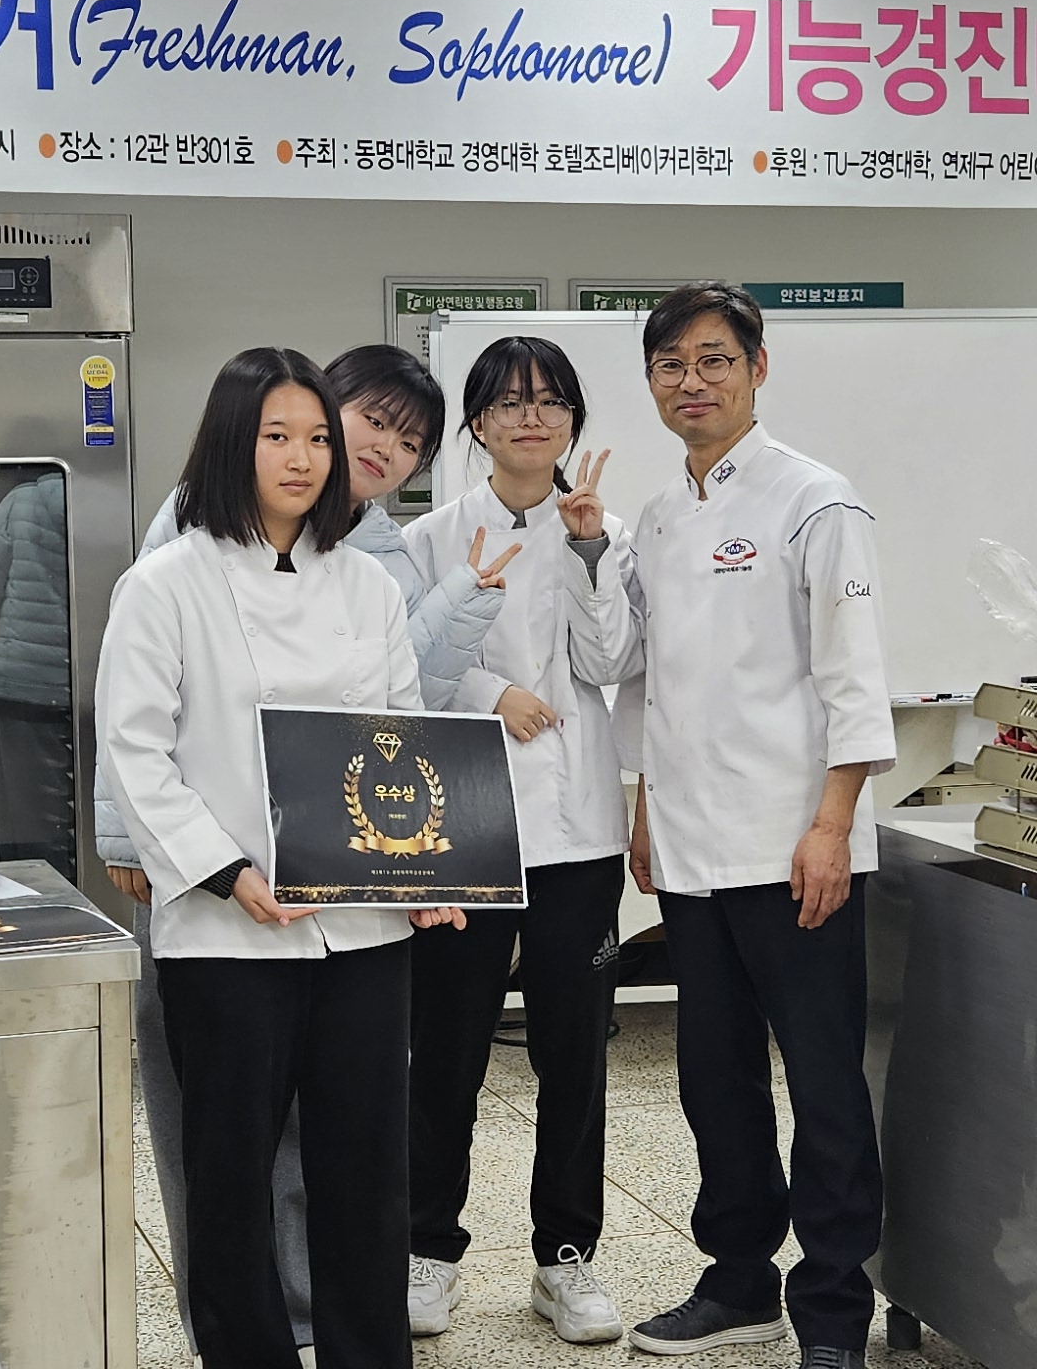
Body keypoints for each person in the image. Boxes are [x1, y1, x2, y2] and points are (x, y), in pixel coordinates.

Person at [100, 342, 515, 1347]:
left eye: (317, 439)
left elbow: (399, 736)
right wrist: (225, 872)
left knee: (365, 1172)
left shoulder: (365, 586)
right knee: (232, 1171)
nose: (302, 458)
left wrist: (423, 871)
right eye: (277, 436)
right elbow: (134, 747)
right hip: (229, 931)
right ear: (231, 444)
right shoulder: (166, 583)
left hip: (364, 934)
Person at [613, 284, 894, 1369]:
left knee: (822, 1086)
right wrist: (645, 804)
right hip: (690, 849)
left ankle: (834, 1312)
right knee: (713, 1078)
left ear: (757, 368)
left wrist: (832, 827)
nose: (692, 381)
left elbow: (852, 678)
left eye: (714, 359)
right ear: (651, 382)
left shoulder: (815, 501)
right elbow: (653, 681)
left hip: (793, 849)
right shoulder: (657, 516)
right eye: (671, 365)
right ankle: (739, 1281)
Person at [396, 337, 637, 1344]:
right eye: (508, 402)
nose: (531, 418)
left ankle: (566, 1256)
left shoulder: (606, 529)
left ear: (573, 420)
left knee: (572, 1053)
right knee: (446, 1050)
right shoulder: (427, 537)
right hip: (461, 822)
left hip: (576, 827)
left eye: (550, 402)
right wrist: (494, 692)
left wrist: (588, 552)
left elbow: (611, 660)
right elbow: (404, 666)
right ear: (478, 424)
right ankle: (426, 1249)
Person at [0, 468, 77, 877]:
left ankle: (41, 901)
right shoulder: (99, 502)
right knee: (82, 820)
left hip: (20, 690)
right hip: (88, 689)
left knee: (25, 827)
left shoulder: (18, 506)